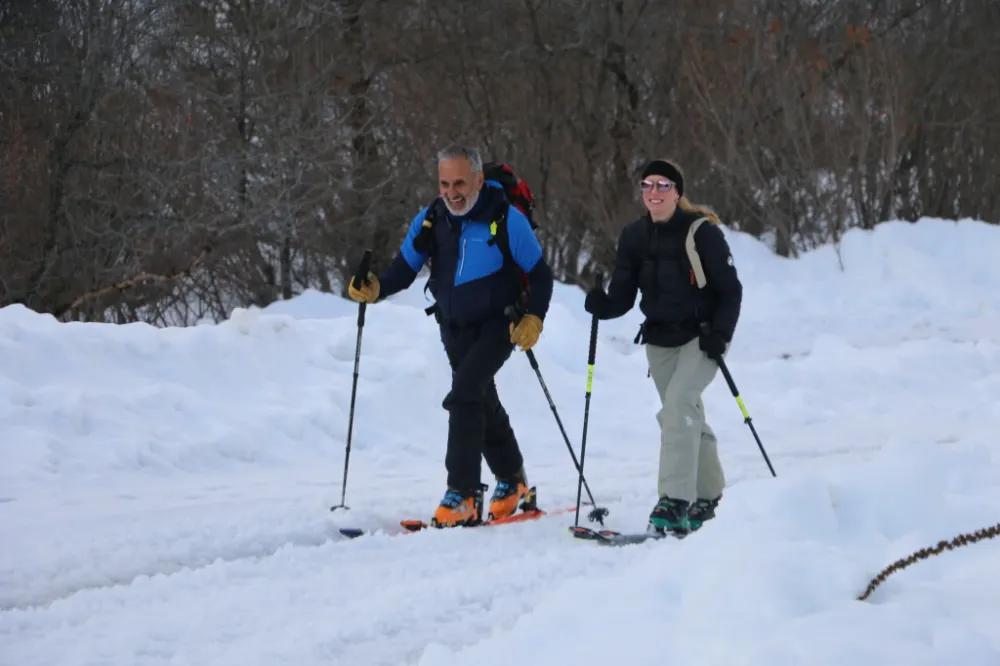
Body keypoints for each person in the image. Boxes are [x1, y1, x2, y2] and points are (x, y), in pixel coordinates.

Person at [347, 145, 555, 528]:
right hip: (453, 326)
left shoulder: (506, 219)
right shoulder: (431, 219)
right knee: (480, 398)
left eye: (459, 183)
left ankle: (463, 493)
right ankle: (512, 481)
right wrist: (375, 288)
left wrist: (535, 318)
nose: (452, 192)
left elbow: (541, 275)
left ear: (478, 179)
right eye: (444, 184)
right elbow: (403, 269)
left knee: (464, 393)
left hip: (499, 325)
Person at [584, 158, 742, 537]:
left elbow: (730, 289)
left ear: (677, 192)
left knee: (678, 407)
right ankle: (709, 497)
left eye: (663, 185)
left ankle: (674, 502)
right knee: (683, 414)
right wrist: (602, 305)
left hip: (702, 337)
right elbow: (623, 295)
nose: (654, 192)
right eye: (647, 185)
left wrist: (720, 333)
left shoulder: (702, 233)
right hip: (659, 341)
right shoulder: (634, 236)